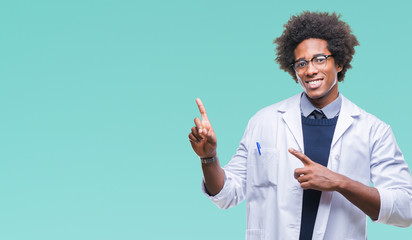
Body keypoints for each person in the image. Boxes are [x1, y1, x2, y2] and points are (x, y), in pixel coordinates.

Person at [188, 11, 412, 240]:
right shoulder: (263, 122)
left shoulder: (373, 130)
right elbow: (227, 194)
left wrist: (339, 183)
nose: (310, 70)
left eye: (320, 59)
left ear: (340, 62)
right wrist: (209, 158)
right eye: (301, 63)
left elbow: (406, 209)